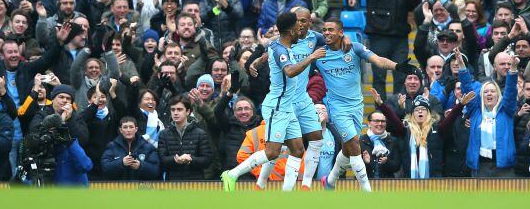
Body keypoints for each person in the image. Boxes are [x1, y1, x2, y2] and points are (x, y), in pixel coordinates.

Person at [220, 12, 326, 192]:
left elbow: (266, 55)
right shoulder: (281, 50)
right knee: (272, 152)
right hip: (277, 106)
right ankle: (232, 174)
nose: (299, 28)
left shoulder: (280, 44)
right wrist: (311, 57)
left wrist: (256, 63)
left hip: (288, 105)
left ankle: (286, 195)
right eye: (296, 26)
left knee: (298, 149)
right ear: (290, 30)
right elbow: (290, 71)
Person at [316, 18, 414, 191]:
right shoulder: (319, 54)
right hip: (336, 107)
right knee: (354, 143)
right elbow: (306, 39)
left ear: (341, 33)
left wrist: (397, 66)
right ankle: (366, 191)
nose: (326, 33)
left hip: (356, 105)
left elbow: (378, 60)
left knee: (348, 148)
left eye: (331, 30)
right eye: (324, 30)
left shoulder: (354, 47)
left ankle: (330, 181)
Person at [353, 0, 410, 99]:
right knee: (379, 77)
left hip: (400, 35)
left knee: (401, 74)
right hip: (379, 34)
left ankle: (399, 112)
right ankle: (381, 111)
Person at [458, 47, 519, 177]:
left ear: (498, 96)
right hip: (480, 167)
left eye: (493, 91)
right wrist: (462, 66)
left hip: (504, 168)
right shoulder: (475, 112)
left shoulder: (506, 111)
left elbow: (510, 90)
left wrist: (513, 70)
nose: (489, 94)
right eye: (486, 91)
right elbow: (467, 87)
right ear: (481, 96)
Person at [157, 94, 212, 180]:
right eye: (173, 110)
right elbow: (161, 159)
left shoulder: (200, 134)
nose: (175, 113)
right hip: (172, 184)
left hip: (195, 183)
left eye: (179, 109)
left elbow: (207, 160)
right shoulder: (164, 134)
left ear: (188, 112)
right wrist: (175, 160)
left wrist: (190, 159)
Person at [101, 116, 160, 180]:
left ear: (136, 129)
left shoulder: (147, 147)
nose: (128, 130)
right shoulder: (112, 146)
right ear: (120, 130)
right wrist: (121, 163)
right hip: (119, 188)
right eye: (125, 127)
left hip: (141, 188)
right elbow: (105, 167)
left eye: (131, 127)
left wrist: (140, 166)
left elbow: (156, 171)